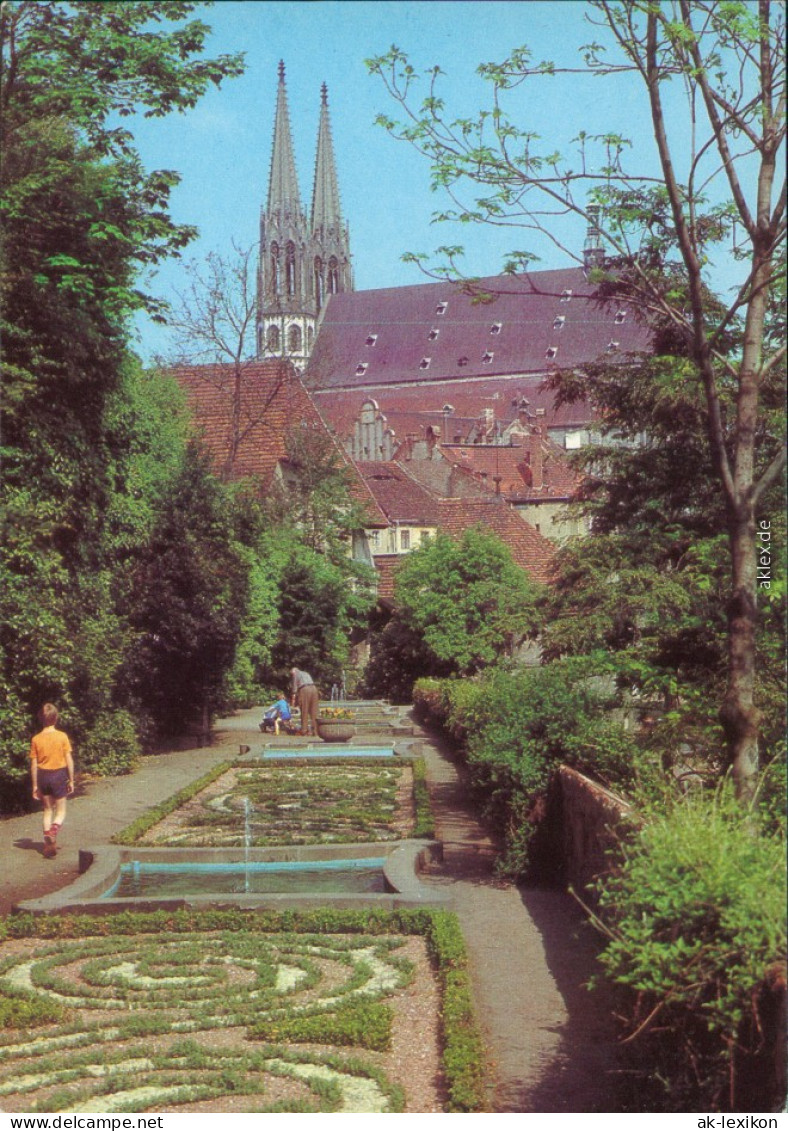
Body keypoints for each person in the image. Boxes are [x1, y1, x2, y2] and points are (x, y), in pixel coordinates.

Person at [30, 703, 74, 859]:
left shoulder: (36, 739)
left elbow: (34, 764)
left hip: (43, 776)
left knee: (47, 810)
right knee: (61, 811)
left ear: (41, 719)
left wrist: (35, 785)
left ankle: (47, 842)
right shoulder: (62, 736)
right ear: (56, 718)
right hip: (58, 775)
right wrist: (71, 780)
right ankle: (53, 831)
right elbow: (69, 759)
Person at [290, 667, 319, 736]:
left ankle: (304, 730)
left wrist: (293, 699)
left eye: (291, 674)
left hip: (305, 689)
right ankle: (316, 731)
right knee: (314, 711)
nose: (292, 676)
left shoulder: (296, 674)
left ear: (293, 671)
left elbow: (294, 687)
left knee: (304, 710)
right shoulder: (306, 673)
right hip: (314, 689)